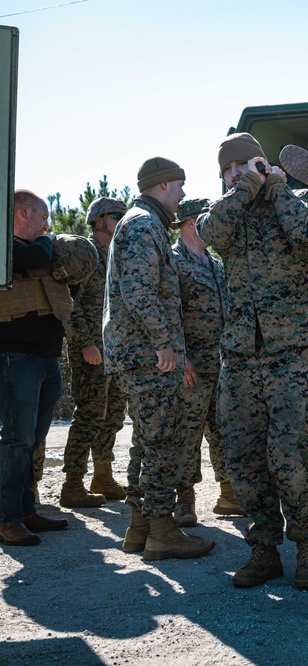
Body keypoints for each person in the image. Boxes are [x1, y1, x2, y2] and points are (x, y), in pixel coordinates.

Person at [198, 132, 308, 590]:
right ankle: (264, 550)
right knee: (243, 457)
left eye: (242, 165)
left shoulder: (292, 199)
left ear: (260, 161)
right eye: (227, 170)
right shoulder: (223, 213)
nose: (235, 174)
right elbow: (210, 234)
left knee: (290, 455)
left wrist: (275, 186)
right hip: (240, 355)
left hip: (290, 353)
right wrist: (244, 190)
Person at [104, 157, 215, 560]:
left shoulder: (139, 222)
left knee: (147, 442)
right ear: (165, 184)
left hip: (139, 353)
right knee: (164, 444)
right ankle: (163, 532)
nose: (183, 194)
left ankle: (139, 527)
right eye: (180, 186)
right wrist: (163, 342)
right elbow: (139, 291)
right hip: (146, 354)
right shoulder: (145, 224)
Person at [0, 190, 74, 545]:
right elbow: (34, 252)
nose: (48, 225)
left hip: (45, 359)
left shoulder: (37, 248)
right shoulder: (6, 245)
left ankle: (26, 510)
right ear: (23, 211)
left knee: (33, 440)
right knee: (17, 441)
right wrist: (46, 240)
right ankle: (7, 518)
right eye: (42, 217)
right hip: (17, 360)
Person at [170, 198, 244, 525]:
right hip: (192, 366)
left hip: (221, 362)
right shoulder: (174, 261)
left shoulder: (214, 262)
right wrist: (180, 355)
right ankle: (184, 500)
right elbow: (168, 312)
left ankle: (228, 495)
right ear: (191, 222)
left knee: (224, 430)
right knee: (187, 433)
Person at [60, 197, 129, 509]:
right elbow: (69, 304)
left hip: (115, 350)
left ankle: (102, 476)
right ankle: (72, 483)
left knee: (114, 413)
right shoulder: (85, 255)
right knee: (89, 414)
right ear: (100, 220)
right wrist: (86, 343)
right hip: (91, 349)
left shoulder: (117, 254)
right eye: (117, 216)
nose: (121, 220)